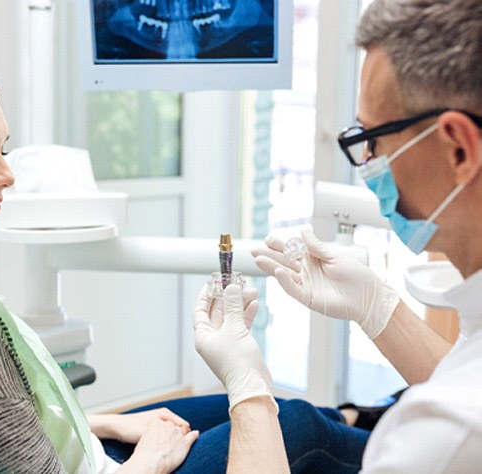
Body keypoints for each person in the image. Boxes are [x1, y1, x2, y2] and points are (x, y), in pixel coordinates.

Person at [0, 44, 364, 474]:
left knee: (290, 412)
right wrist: (149, 459)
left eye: (2, 150)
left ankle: (368, 416)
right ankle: (417, 442)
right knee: (298, 426)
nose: (6, 175)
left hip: (84, 448)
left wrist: (105, 423)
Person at [196, 0, 482, 472]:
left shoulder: (446, 433)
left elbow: (458, 407)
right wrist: (378, 307)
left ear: (457, 148)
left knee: (302, 427)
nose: (369, 164)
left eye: (374, 139)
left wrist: (247, 387)